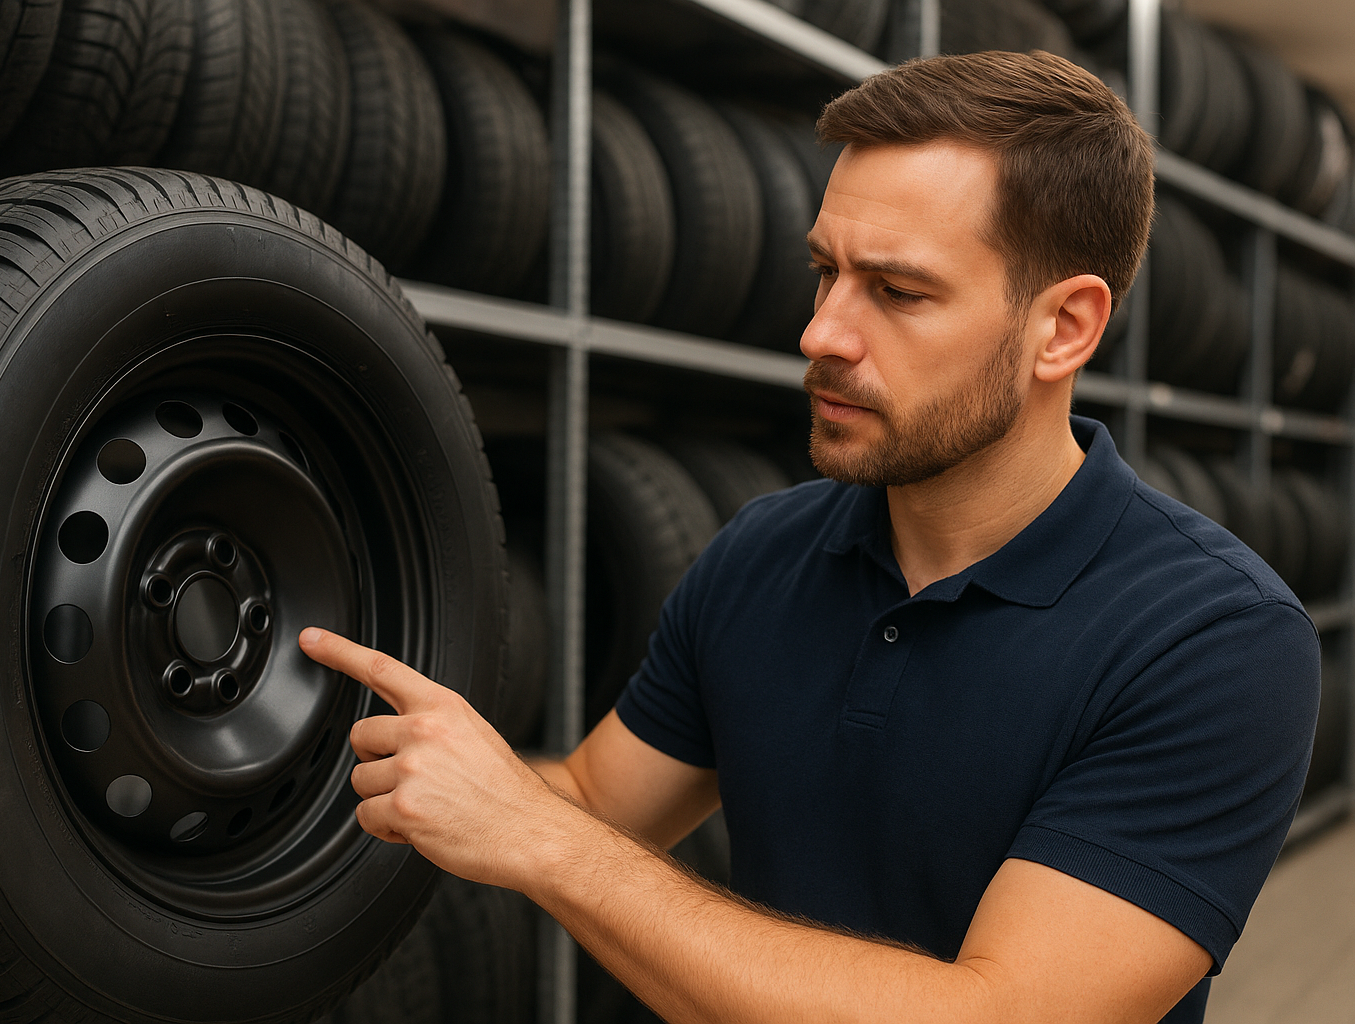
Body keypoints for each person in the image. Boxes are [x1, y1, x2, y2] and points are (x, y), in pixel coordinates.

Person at [298, 50, 1320, 1024]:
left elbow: (1004, 1011)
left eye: (898, 291)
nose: (822, 333)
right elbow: (599, 803)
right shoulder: (764, 553)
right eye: (824, 271)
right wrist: (332, 756)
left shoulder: (1217, 640)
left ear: (1064, 329)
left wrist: (546, 843)